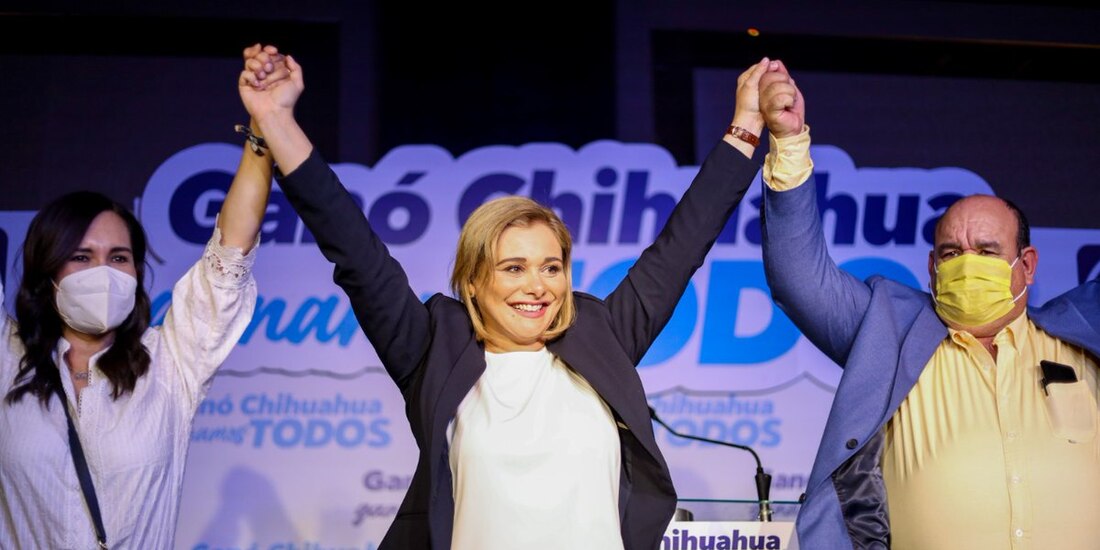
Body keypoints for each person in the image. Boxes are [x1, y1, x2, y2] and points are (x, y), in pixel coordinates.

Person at [240, 45, 777, 549]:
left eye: (551, 267)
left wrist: (747, 124)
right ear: (472, 280)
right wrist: (278, 122)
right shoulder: (432, 346)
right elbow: (354, 249)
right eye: (513, 268)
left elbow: (681, 246)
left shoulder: (602, 335)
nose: (537, 286)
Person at [756, 63, 1100, 548]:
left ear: (1027, 264)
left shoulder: (1082, 337)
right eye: (952, 254)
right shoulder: (889, 333)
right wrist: (789, 144)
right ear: (932, 268)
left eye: (987, 251)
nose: (967, 264)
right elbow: (798, 278)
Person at [0, 44, 282, 548]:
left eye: (119, 257)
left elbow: (231, 251)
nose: (103, 272)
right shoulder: (7, 356)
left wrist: (262, 129)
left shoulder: (171, 363)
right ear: (47, 273)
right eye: (81, 257)